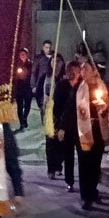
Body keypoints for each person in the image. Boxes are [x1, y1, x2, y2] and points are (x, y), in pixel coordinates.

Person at [71, 61, 109, 211]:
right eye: (81, 69)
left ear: (95, 70)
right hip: (83, 130)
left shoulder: (104, 86)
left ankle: (93, 190)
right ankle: (85, 196)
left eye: (86, 69)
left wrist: (104, 108)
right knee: (84, 163)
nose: (82, 72)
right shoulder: (79, 88)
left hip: (98, 129)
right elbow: (70, 107)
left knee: (95, 163)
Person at [46, 59, 80, 191]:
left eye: (75, 71)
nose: (73, 73)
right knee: (68, 153)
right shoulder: (61, 86)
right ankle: (69, 180)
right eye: (70, 71)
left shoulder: (82, 85)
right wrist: (60, 125)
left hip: (81, 125)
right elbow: (57, 107)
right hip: (66, 124)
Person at [30, 40, 56, 121]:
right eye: (46, 47)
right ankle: (44, 120)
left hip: (53, 83)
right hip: (41, 84)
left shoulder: (55, 57)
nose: (48, 49)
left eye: (49, 47)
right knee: (42, 103)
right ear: (43, 48)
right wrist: (33, 85)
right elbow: (33, 72)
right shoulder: (39, 58)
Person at [13, 48, 33, 131]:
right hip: (19, 88)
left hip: (28, 87)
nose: (22, 56)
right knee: (20, 106)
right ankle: (21, 123)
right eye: (21, 54)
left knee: (27, 105)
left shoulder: (31, 64)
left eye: (24, 54)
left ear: (27, 55)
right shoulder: (16, 64)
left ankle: (25, 118)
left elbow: (33, 73)